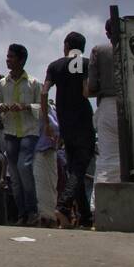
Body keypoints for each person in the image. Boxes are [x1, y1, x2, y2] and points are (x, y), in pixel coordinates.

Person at [41, 32, 95, 228]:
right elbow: (86, 91)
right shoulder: (84, 63)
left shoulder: (55, 66)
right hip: (82, 121)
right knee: (80, 168)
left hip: (64, 123)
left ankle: (85, 217)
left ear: (66, 46)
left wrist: (47, 122)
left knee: (74, 168)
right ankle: (63, 206)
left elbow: (44, 91)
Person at [0, 43, 42, 226]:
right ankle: (22, 214)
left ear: (21, 60)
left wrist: (26, 106)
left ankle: (32, 211)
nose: (7, 59)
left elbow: (43, 108)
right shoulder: (2, 83)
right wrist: (1, 107)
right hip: (10, 132)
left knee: (23, 167)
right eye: (7, 56)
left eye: (11, 56)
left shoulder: (34, 83)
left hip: (29, 132)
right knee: (14, 174)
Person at [87, 18, 122, 220]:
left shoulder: (99, 51)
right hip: (133, 109)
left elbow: (91, 86)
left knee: (107, 158)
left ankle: (98, 208)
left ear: (107, 33)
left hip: (108, 104)